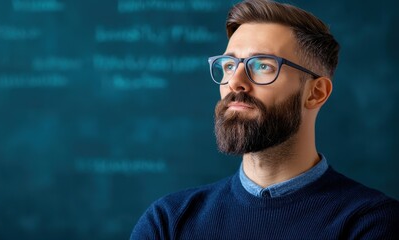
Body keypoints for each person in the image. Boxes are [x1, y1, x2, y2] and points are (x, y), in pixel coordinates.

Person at [131, 0, 399, 239]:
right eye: (228, 65)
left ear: (316, 93)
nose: (235, 82)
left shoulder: (372, 223)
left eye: (262, 66)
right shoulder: (169, 221)